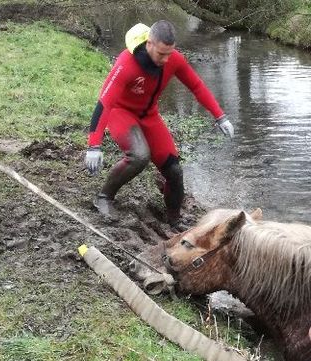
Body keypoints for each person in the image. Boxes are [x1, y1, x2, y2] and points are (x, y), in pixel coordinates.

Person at [84, 20, 234, 228]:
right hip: (121, 113)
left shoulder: (174, 60)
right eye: (161, 54)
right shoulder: (126, 63)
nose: (165, 60)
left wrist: (220, 116)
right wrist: (94, 145)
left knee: (174, 171)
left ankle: (173, 219)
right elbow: (105, 103)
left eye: (169, 54)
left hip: (150, 116)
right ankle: (104, 197)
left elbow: (197, 86)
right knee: (139, 156)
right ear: (149, 44)